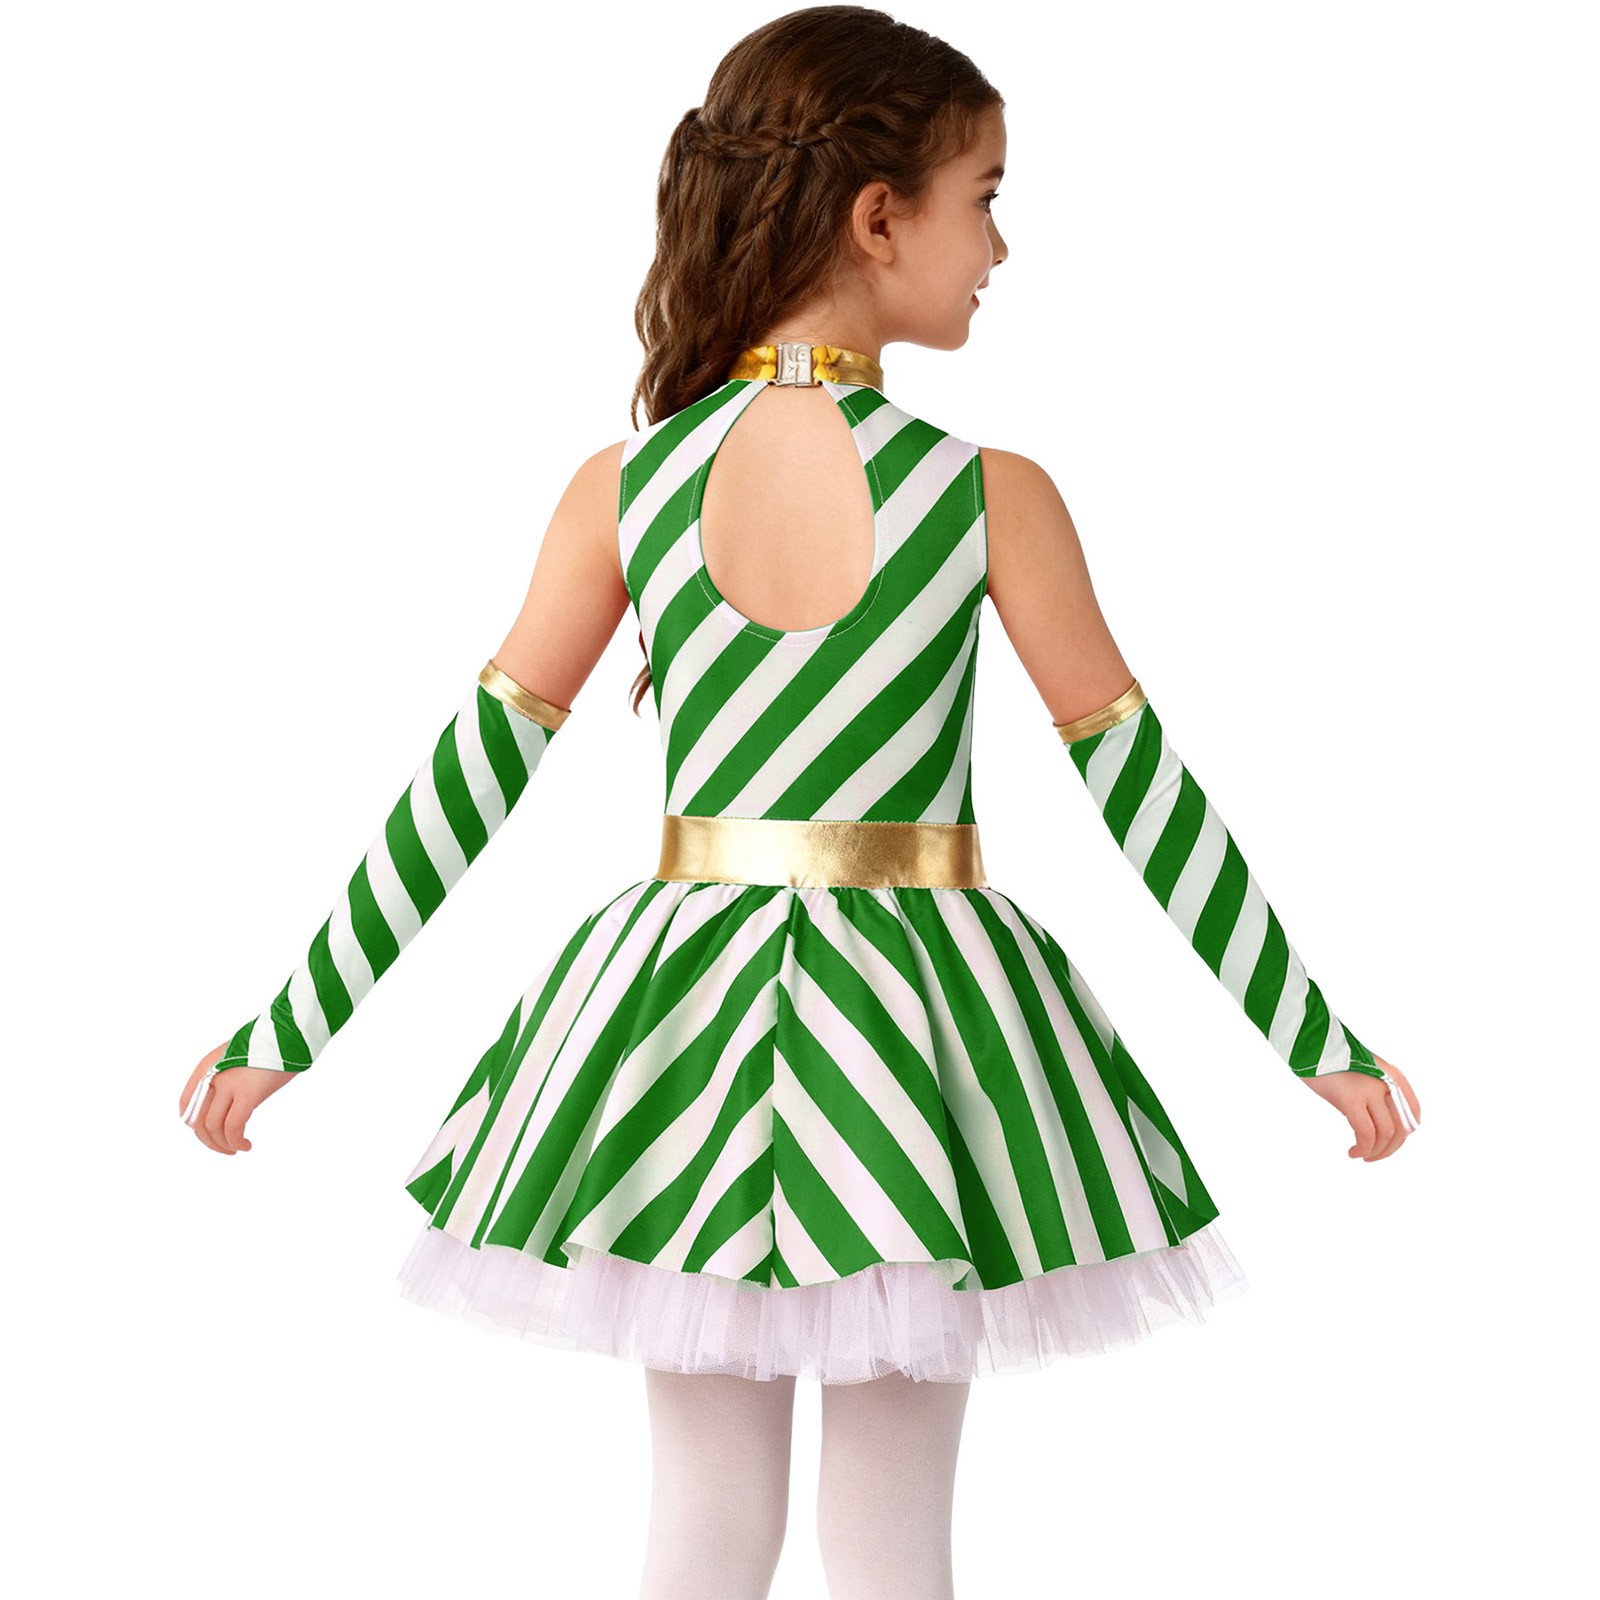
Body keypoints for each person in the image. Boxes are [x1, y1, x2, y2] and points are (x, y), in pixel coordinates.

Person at [177, 8, 1422, 1598]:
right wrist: (1311, 1033)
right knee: (896, 1535)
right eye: (986, 197)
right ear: (878, 215)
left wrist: (291, 1022)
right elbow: (1140, 789)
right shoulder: (983, 492)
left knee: (701, 1518)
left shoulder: (628, 487)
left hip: (679, 1027)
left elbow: (470, 776)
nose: (1001, 247)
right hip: (917, 1032)